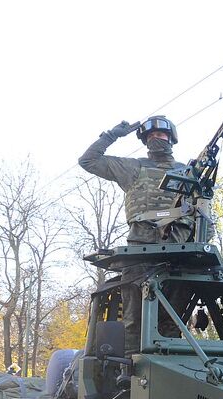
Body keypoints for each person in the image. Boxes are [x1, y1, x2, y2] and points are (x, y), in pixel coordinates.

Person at [79, 116, 193, 353]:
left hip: (180, 253)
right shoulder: (133, 168)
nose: (156, 139)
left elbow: (204, 213)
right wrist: (111, 135)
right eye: (150, 136)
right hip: (140, 250)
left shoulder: (188, 172)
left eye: (160, 135)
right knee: (134, 321)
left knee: (172, 322)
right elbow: (88, 161)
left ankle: (167, 369)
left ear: (171, 138)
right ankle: (130, 374)